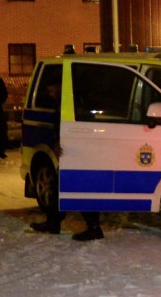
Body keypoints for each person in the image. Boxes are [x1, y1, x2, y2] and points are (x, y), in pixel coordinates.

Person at [28, 81, 104, 241]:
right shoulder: (66, 100)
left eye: (51, 89)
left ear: (60, 86)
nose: (50, 93)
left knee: (81, 186)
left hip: (78, 149)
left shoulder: (72, 100)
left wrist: (59, 141)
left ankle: (94, 227)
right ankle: (53, 222)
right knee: (61, 184)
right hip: (71, 148)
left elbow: (74, 125)